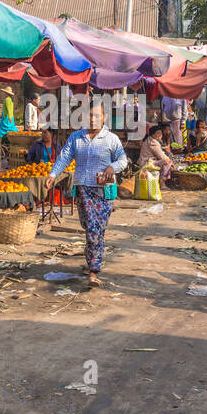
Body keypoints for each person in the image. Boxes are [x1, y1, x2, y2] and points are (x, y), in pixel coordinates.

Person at [46, 103, 127, 287]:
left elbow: (123, 160)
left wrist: (111, 167)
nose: (93, 119)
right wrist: (52, 175)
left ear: (104, 118)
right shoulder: (77, 137)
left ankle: (93, 271)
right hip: (83, 190)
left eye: (97, 116)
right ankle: (92, 258)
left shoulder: (111, 139)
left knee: (95, 229)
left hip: (103, 192)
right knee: (90, 227)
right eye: (89, 115)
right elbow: (65, 157)